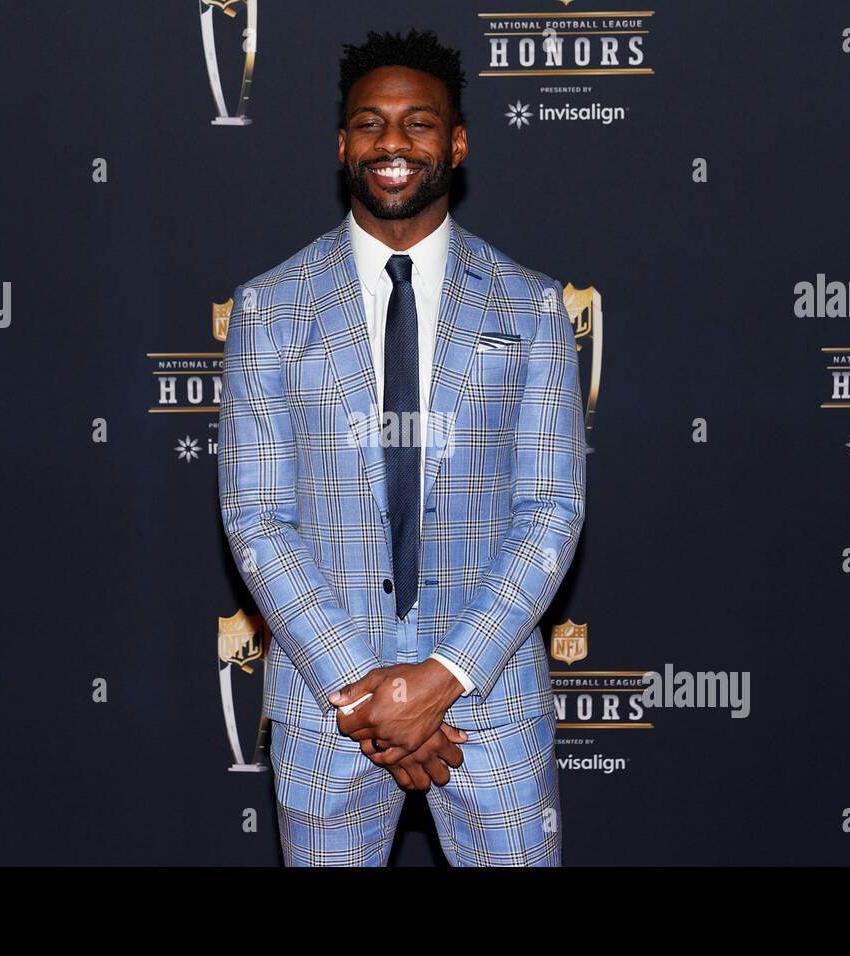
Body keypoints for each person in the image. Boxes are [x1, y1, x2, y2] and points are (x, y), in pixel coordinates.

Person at [217, 28, 586, 866]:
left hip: (489, 700)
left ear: (456, 143)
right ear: (342, 143)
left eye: (418, 123)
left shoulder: (530, 308)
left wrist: (443, 678)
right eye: (369, 123)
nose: (392, 143)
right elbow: (256, 517)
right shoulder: (269, 309)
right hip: (328, 711)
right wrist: (372, 697)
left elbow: (552, 509)